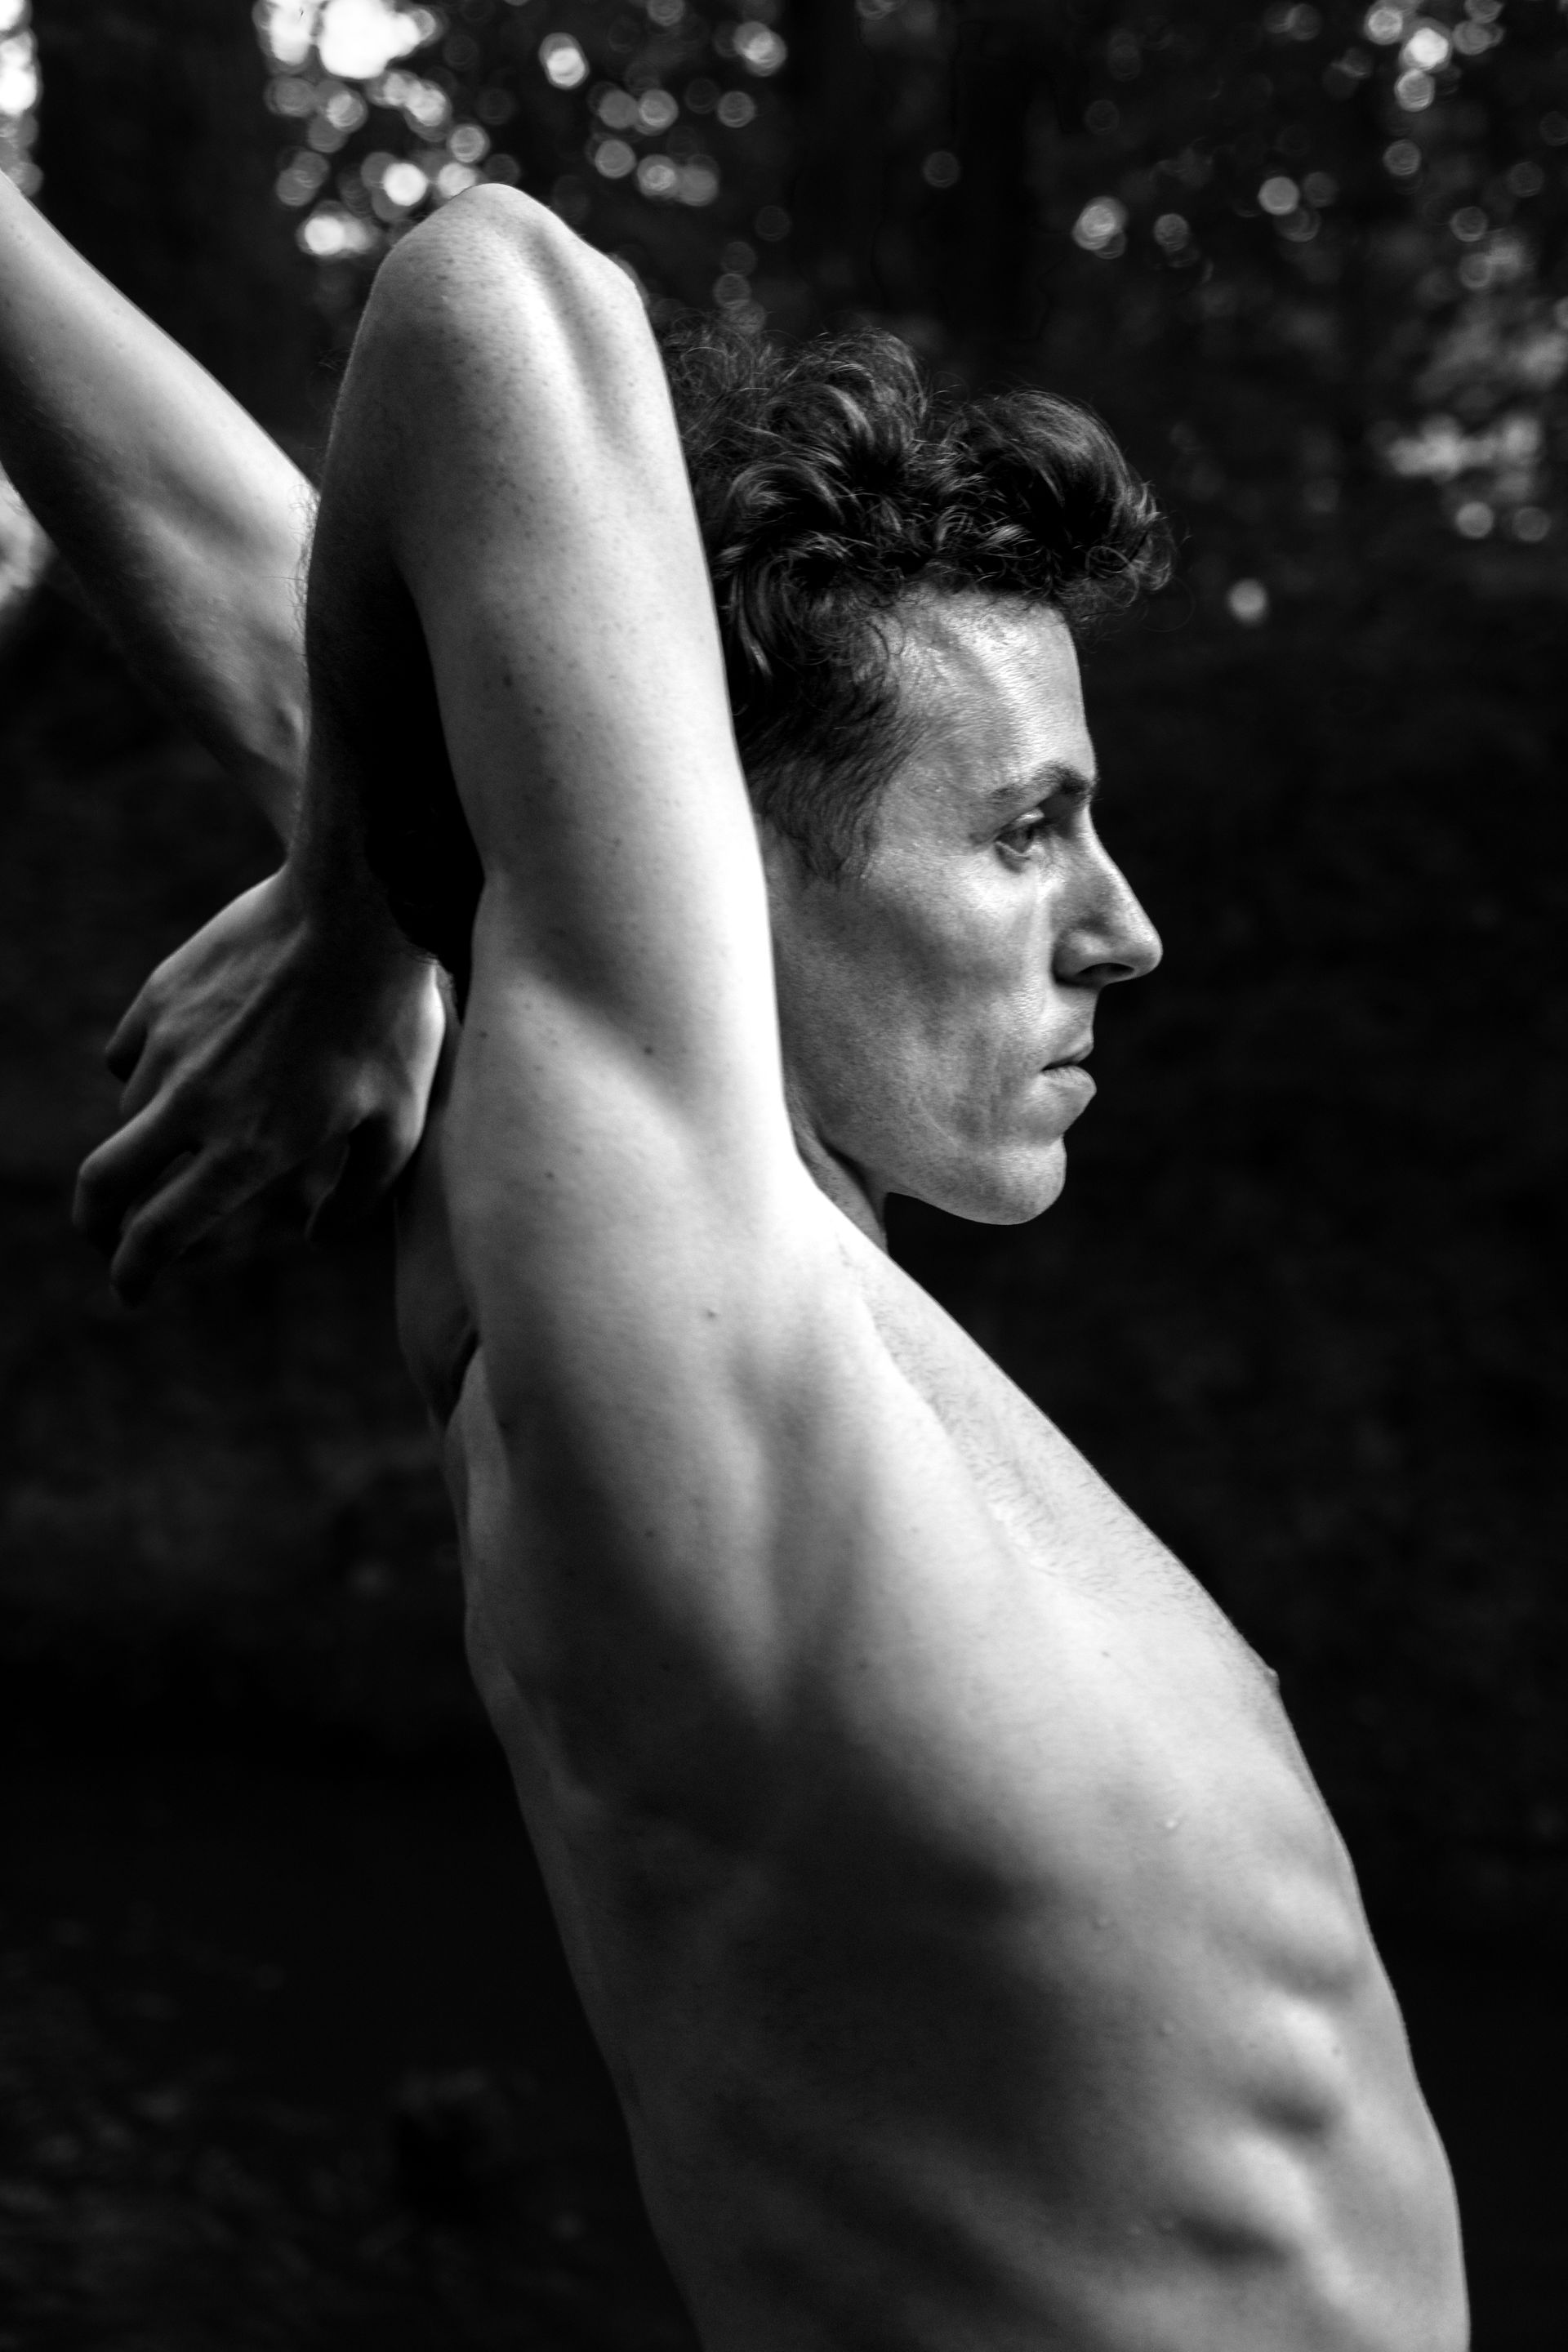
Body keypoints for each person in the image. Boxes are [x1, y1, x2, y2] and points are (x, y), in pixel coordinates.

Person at [3, 175, 1467, 2348]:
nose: (1124, 927)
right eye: (1025, 828)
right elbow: (494, 292)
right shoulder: (656, 1290)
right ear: (732, 859)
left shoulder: (745, 1270)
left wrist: (376, 876)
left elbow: (263, 599)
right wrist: (337, 927)